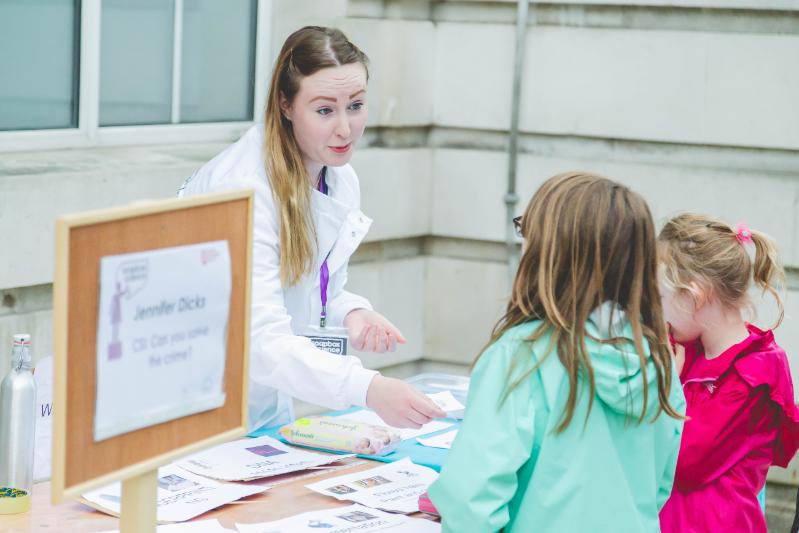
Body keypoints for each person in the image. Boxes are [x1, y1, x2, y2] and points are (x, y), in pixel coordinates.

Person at [179, 26, 444, 431]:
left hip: (261, 410)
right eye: (325, 110)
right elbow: (261, 340)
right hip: (194, 410)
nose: (345, 128)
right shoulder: (241, 188)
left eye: (355, 106)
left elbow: (310, 286)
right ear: (286, 105)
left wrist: (351, 310)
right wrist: (368, 388)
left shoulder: (337, 176)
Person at [427, 172, 685, 532]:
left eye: (525, 230)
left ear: (550, 252)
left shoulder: (520, 356)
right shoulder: (657, 357)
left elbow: (472, 504)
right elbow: (657, 488)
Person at [657, 214, 799, 533]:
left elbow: (682, 463)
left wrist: (667, 388)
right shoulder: (688, 348)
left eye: (662, 297)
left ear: (694, 296)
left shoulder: (754, 373)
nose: (658, 310)